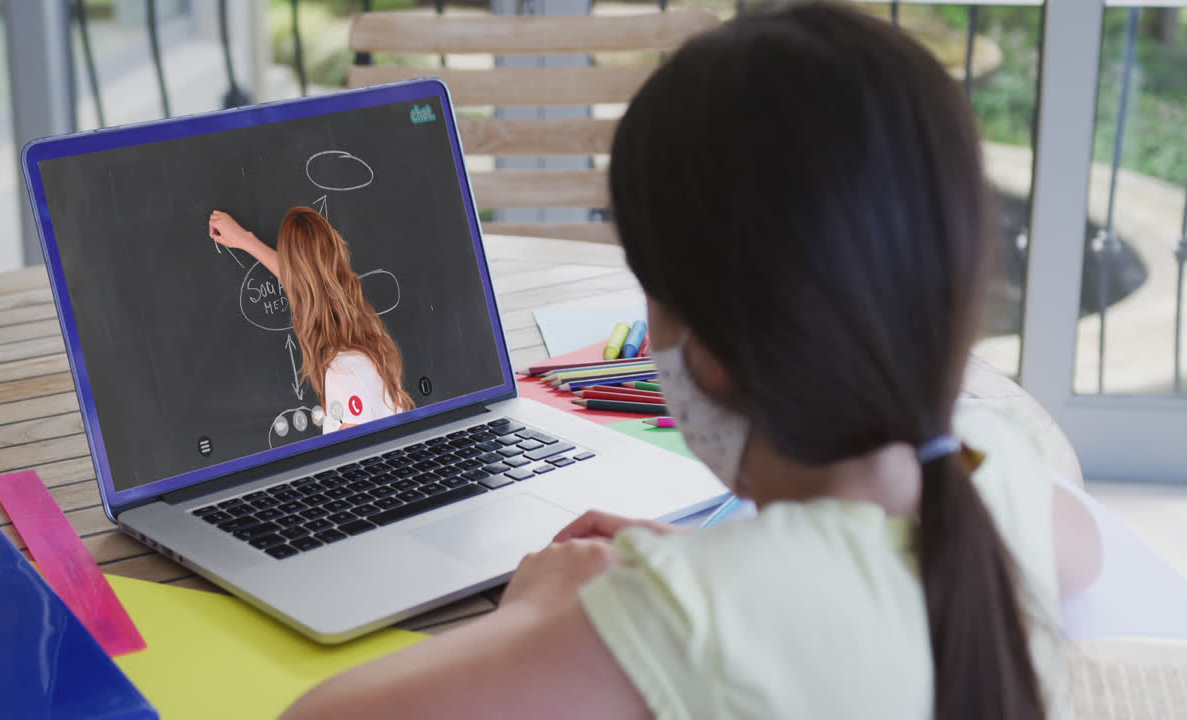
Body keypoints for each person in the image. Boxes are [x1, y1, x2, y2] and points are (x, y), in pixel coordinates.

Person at [280, 4, 1102, 718]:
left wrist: (537, 616)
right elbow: (1079, 551)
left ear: (704, 357)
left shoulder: (689, 620)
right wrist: (720, 561)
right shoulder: (997, 470)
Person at [209, 206, 414, 432]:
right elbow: (311, 287)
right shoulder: (368, 331)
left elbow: (356, 455)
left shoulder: (343, 375)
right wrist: (247, 241)